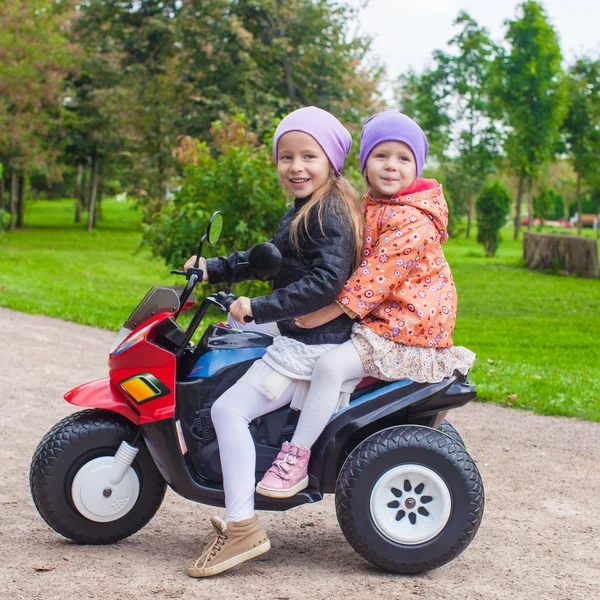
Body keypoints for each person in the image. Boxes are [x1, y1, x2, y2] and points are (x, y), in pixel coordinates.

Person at [256, 109, 476, 498]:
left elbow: (373, 281)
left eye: (403, 158)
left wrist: (321, 312)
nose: (391, 166)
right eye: (381, 155)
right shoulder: (373, 205)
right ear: (364, 163)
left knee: (329, 366)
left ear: (416, 166)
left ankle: (297, 458)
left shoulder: (413, 219)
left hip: (404, 329)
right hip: (383, 318)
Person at [183, 106, 364, 578]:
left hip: (312, 347)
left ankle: (242, 526)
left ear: (332, 161)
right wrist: (214, 268)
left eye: (309, 155)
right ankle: (238, 503)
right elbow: (271, 258)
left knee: (228, 410)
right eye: (286, 156)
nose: (296, 166)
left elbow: (327, 282)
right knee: (227, 342)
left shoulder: (330, 215)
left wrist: (260, 307)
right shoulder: (309, 208)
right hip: (304, 336)